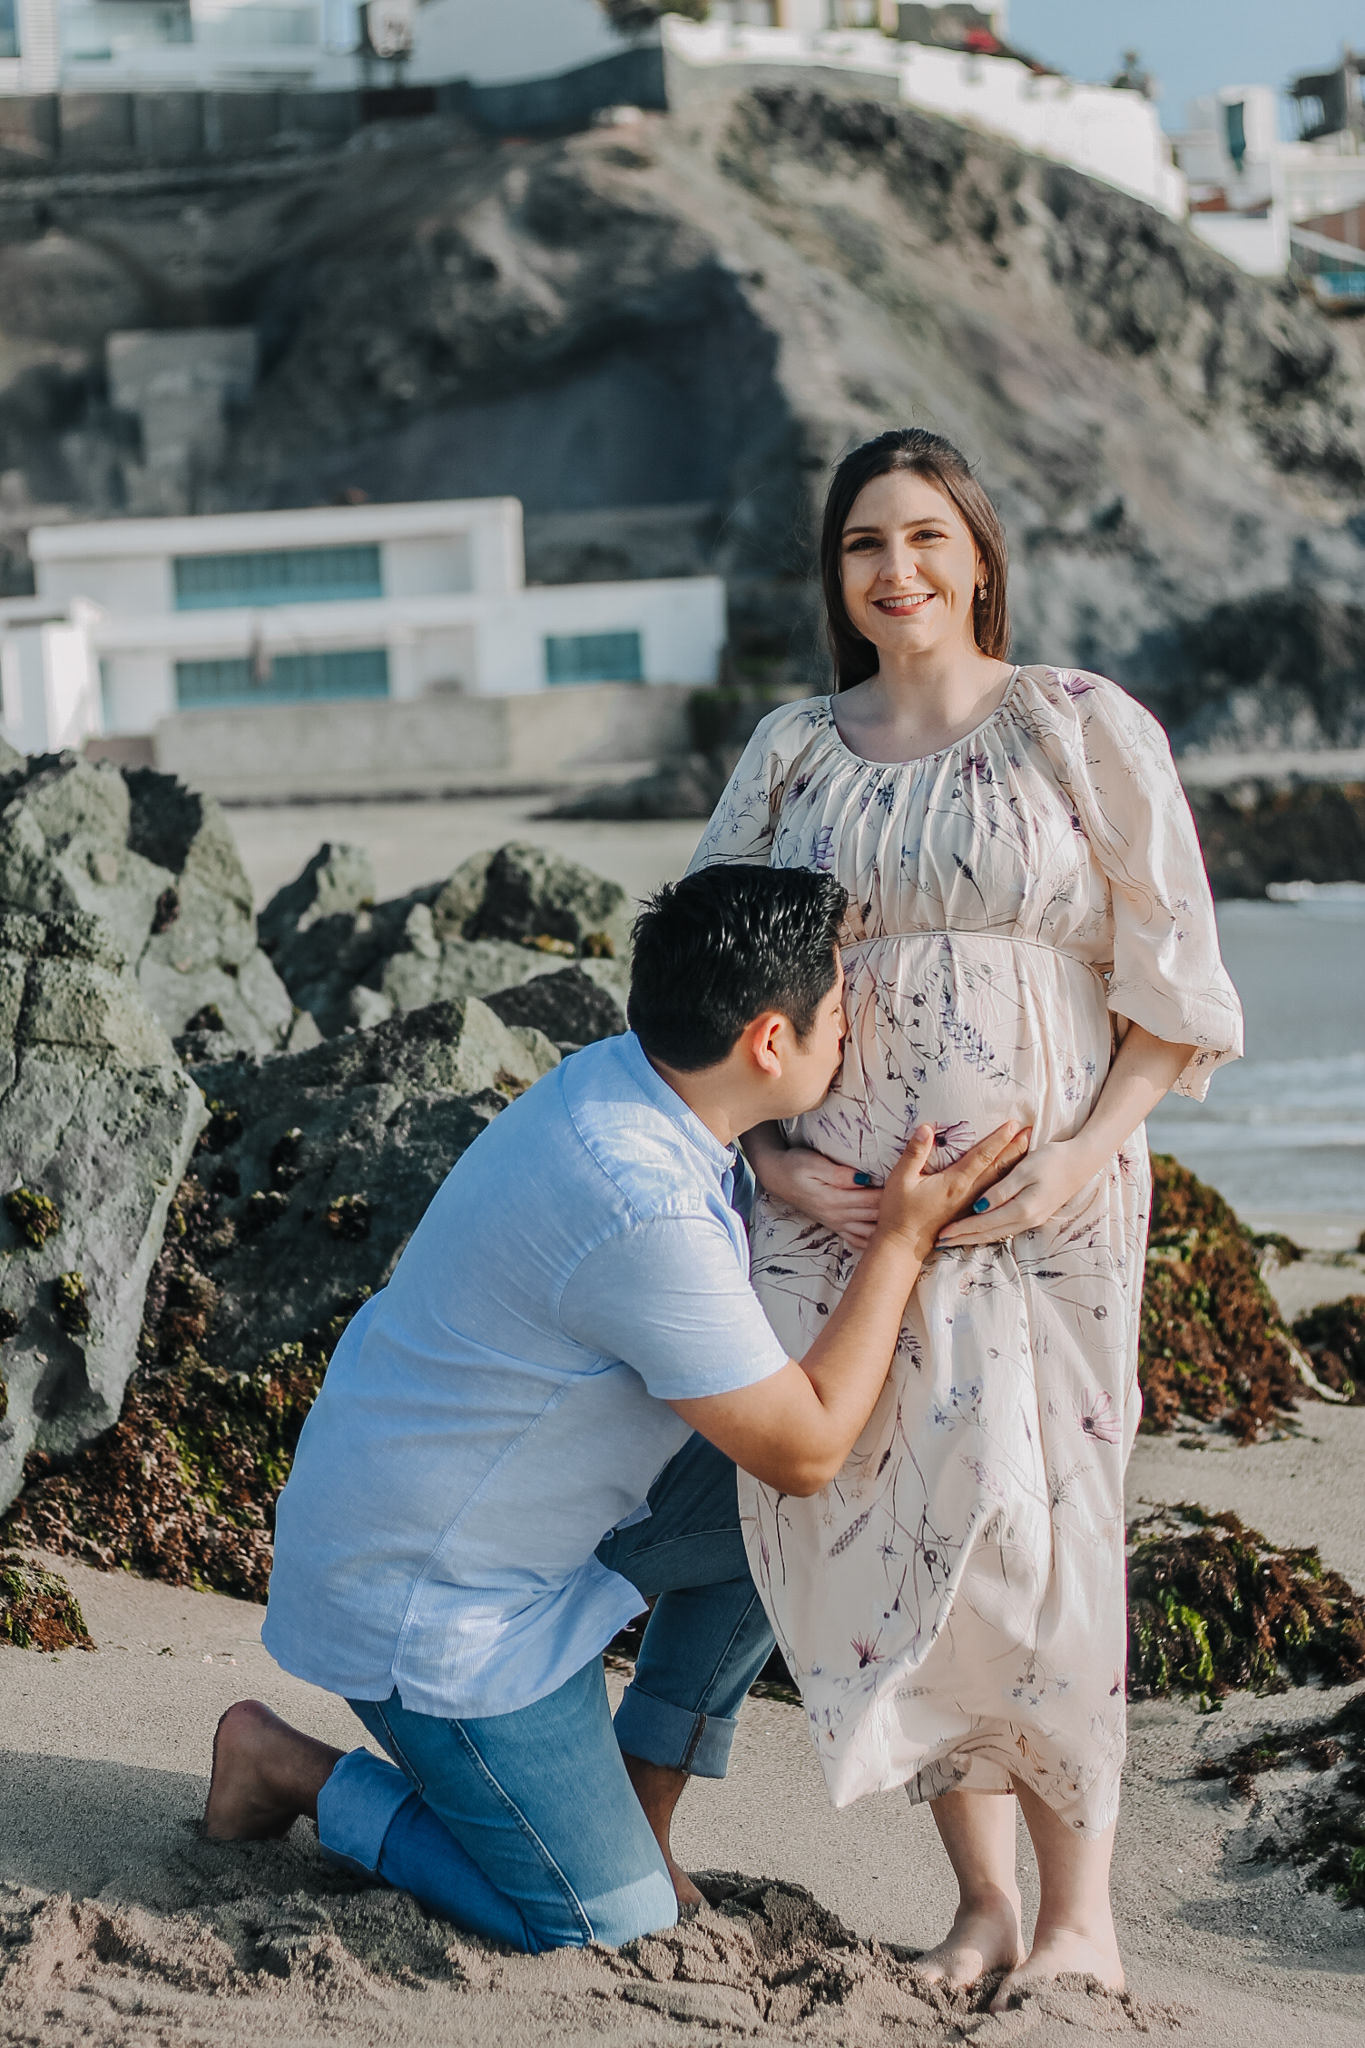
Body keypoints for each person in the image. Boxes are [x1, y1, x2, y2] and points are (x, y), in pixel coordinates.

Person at [204, 862, 1028, 1955]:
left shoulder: (630, 1084)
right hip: (435, 1604)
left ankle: (635, 1805)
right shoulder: (639, 1203)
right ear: (767, 1042)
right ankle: (288, 1768)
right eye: (837, 1010)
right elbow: (803, 1449)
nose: (851, 1029)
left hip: (494, 1516)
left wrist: (774, 1166)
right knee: (604, 1923)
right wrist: (902, 1240)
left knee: (786, 1519)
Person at [689, 428, 1243, 2009]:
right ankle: (984, 1906)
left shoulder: (1077, 724)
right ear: (836, 576)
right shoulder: (793, 750)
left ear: (980, 556)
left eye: (926, 535)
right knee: (894, 1543)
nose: (898, 568)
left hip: (1043, 1215)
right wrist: (777, 1162)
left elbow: (1175, 975)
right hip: (842, 1227)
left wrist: (1078, 1159)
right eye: (865, 542)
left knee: (1045, 1536)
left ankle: (1083, 1919)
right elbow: (709, 980)